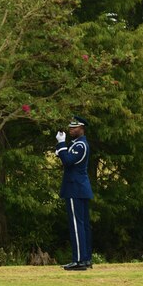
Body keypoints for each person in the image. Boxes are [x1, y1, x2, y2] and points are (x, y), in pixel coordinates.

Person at [54, 116, 93, 271]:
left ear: (82, 128)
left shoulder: (80, 145)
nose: (71, 129)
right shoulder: (76, 144)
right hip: (79, 188)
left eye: (74, 127)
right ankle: (85, 259)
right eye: (70, 127)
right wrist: (62, 146)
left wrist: (61, 144)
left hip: (75, 188)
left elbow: (67, 161)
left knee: (77, 225)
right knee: (82, 225)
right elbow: (63, 156)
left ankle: (79, 260)